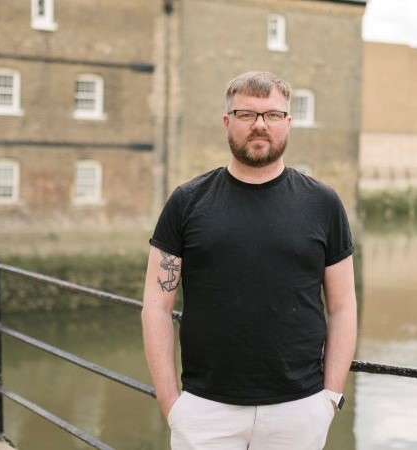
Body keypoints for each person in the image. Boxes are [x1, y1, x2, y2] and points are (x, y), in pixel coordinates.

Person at [141, 71, 357, 450]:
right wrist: (171, 403)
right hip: (205, 410)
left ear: (288, 122)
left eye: (272, 115)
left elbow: (342, 307)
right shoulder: (187, 202)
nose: (260, 126)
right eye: (246, 115)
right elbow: (156, 307)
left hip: (299, 408)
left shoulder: (323, 203)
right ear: (228, 122)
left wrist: (330, 397)